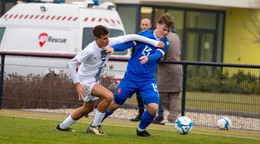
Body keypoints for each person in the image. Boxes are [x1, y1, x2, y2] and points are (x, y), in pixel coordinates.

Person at [55, 25, 164, 135]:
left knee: (87, 108)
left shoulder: (109, 42)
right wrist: (77, 84)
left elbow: (133, 36)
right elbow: (71, 63)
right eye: (104, 38)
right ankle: (95, 126)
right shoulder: (90, 50)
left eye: (108, 37)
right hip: (85, 82)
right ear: (96, 39)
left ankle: (62, 127)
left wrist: (155, 43)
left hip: (93, 81)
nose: (107, 41)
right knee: (109, 96)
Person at [102, 13, 174, 137]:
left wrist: (149, 58)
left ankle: (141, 130)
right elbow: (128, 44)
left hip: (147, 80)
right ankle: (96, 123)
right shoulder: (143, 35)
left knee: (153, 107)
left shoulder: (165, 42)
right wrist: (114, 49)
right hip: (131, 77)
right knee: (115, 104)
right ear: (158, 25)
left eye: (168, 30)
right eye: (164, 29)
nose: (166, 32)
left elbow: (158, 54)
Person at [154, 28, 182, 124]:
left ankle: (174, 114)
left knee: (160, 92)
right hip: (177, 67)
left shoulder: (165, 39)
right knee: (174, 95)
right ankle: (173, 117)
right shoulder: (176, 37)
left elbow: (161, 56)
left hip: (166, 70)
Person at [130, 18, 152, 122]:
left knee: (148, 94)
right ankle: (141, 113)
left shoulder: (153, 39)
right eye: (142, 24)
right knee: (138, 93)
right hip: (136, 70)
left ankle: (151, 114)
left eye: (146, 25)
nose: (144, 26)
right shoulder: (137, 36)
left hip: (147, 71)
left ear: (150, 26)